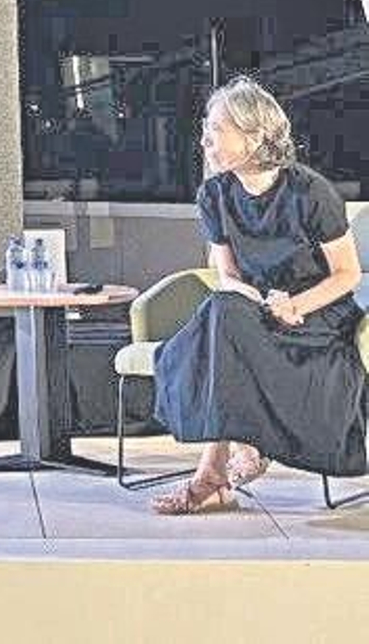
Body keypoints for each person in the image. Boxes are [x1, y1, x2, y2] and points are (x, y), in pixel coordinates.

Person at [150, 77, 365, 515]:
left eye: (217, 128)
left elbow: (348, 275)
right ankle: (224, 462)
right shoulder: (214, 194)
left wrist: (294, 305)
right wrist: (253, 297)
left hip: (317, 317)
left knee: (219, 322)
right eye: (206, 128)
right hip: (257, 310)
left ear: (253, 134)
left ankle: (216, 471)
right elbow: (226, 274)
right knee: (223, 308)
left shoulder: (310, 192)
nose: (206, 139)